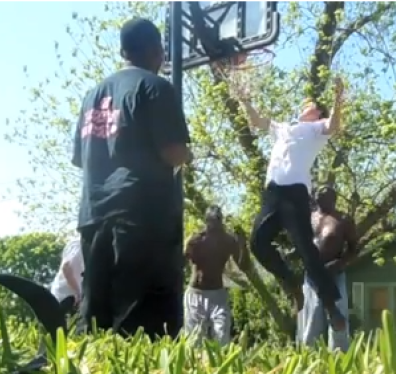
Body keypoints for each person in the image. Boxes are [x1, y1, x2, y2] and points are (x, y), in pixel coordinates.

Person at [72, 18, 192, 339]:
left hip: (93, 215)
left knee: (97, 316)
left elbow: (80, 159)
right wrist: (188, 155)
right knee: (145, 322)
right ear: (158, 51)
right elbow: (173, 152)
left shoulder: (92, 96)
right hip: (142, 215)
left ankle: (92, 370)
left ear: (123, 51)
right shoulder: (155, 87)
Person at [235, 77, 347, 331]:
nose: (305, 105)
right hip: (273, 192)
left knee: (306, 249)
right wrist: (244, 99)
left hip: (295, 194)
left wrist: (338, 99)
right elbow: (257, 121)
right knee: (257, 242)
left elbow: (334, 124)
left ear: (318, 113)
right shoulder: (283, 127)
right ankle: (291, 282)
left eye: (310, 105)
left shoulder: (316, 128)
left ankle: (331, 307)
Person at [297, 186, 358, 351]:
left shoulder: (343, 220)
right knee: (311, 316)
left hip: (334, 274)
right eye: (318, 194)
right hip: (312, 275)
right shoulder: (307, 218)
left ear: (333, 198)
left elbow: (354, 248)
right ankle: (308, 355)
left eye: (324, 194)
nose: (319, 196)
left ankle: (340, 355)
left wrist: (339, 263)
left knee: (338, 316)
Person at [184, 205, 248, 345]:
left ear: (221, 222)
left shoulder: (228, 241)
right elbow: (181, 261)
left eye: (217, 222)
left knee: (222, 338)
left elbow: (243, 265)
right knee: (194, 342)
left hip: (218, 296)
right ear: (206, 222)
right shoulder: (197, 240)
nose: (214, 227)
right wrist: (187, 245)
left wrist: (242, 245)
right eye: (211, 222)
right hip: (196, 295)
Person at [49, 239, 85, 317]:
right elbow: (66, 267)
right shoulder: (79, 246)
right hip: (67, 297)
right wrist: (77, 292)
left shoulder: (73, 244)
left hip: (60, 295)